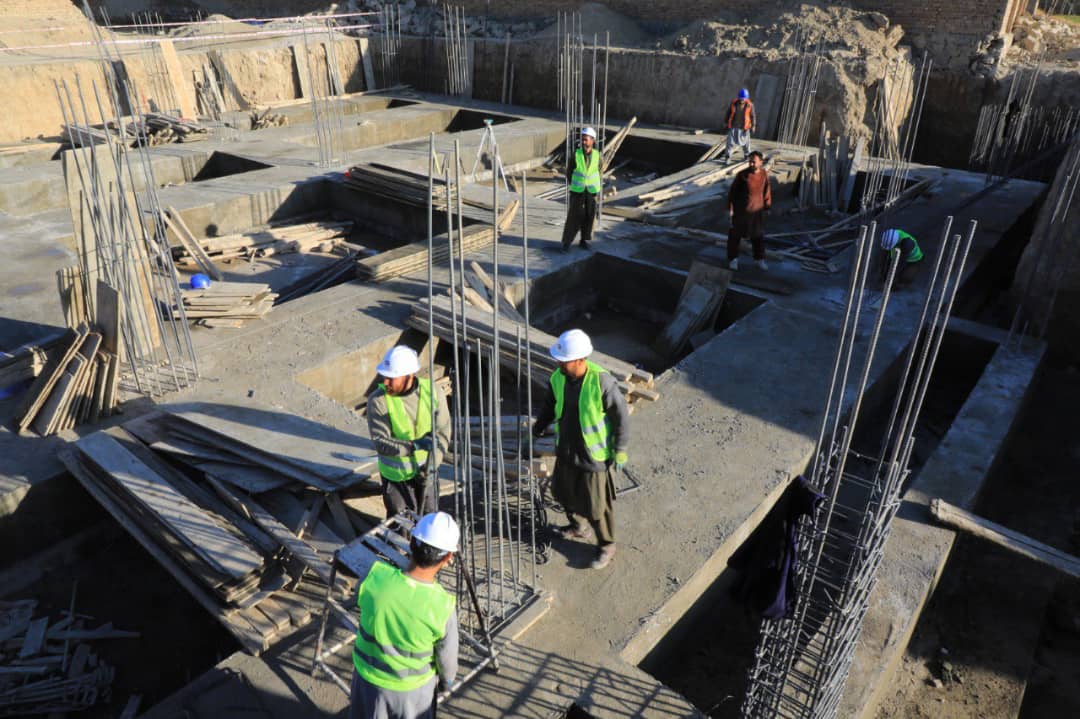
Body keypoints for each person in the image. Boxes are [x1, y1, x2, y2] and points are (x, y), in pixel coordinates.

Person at [532, 329, 629, 570]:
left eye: (563, 361)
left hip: (592, 456)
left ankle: (606, 544)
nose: (559, 363)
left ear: (580, 360)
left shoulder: (601, 382)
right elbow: (550, 404)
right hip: (566, 448)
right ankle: (576, 526)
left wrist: (621, 448)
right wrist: (538, 428)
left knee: (597, 506)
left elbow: (621, 417)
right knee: (563, 493)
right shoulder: (558, 377)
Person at [350, 511, 460, 719]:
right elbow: (447, 662)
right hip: (412, 694)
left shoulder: (374, 576)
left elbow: (361, 600)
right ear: (447, 558)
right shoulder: (442, 606)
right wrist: (446, 684)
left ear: (411, 544)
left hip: (367, 683)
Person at [367, 346, 451, 518]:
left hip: (427, 471)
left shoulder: (433, 392)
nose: (386, 383)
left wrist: (433, 464)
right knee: (400, 522)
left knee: (428, 519)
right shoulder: (378, 400)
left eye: (392, 378)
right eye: (385, 377)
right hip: (396, 477)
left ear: (409, 376)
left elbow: (443, 431)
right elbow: (381, 442)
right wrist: (414, 446)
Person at [727, 151, 772, 271]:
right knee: (735, 236)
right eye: (750, 161)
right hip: (741, 211)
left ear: (761, 162)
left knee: (757, 236)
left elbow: (767, 191)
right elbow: (732, 193)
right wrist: (730, 209)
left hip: (756, 211)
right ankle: (733, 259)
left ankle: (759, 259)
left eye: (754, 161)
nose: (751, 164)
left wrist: (767, 206)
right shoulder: (742, 175)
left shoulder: (764, 174)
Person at [561, 126, 602, 253]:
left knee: (589, 216)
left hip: (591, 191)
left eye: (586, 140)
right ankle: (567, 242)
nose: (583, 142)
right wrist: (574, 184)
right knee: (574, 216)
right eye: (582, 140)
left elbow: (599, 171)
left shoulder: (597, 156)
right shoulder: (576, 155)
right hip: (578, 191)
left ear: (592, 141)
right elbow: (569, 172)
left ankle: (584, 240)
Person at [719, 88, 755, 164]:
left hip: (744, 127)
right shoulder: (733, 103)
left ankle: (747, 155)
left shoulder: (750, 105)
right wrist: (725, 122)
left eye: (743, 99)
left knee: (746, 143)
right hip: (734, 126)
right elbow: (728, 113)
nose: (742, 100)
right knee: (730, 142)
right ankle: (728, 157)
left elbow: (753, 116)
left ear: (746, 98)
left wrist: (753, 126)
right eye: (740, 98)